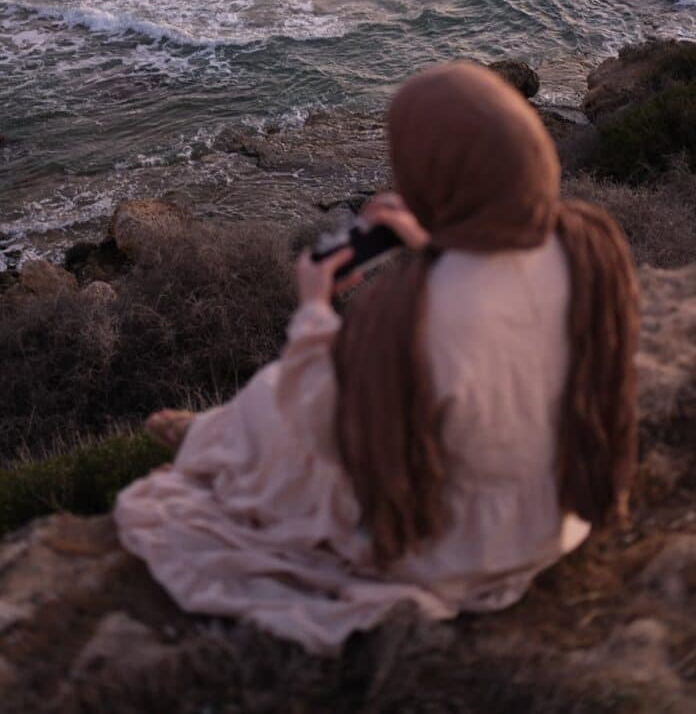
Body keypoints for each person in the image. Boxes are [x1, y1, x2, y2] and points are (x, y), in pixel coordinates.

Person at [115, 60, 640, 655]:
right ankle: (211, 434)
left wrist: (314, 309)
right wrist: (434, 241)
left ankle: (206, 439)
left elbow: (321, 421)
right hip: (554, 514)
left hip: (457, 549)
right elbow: (500, 303)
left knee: (272, 392)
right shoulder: (587, 244)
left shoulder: (406, 314)